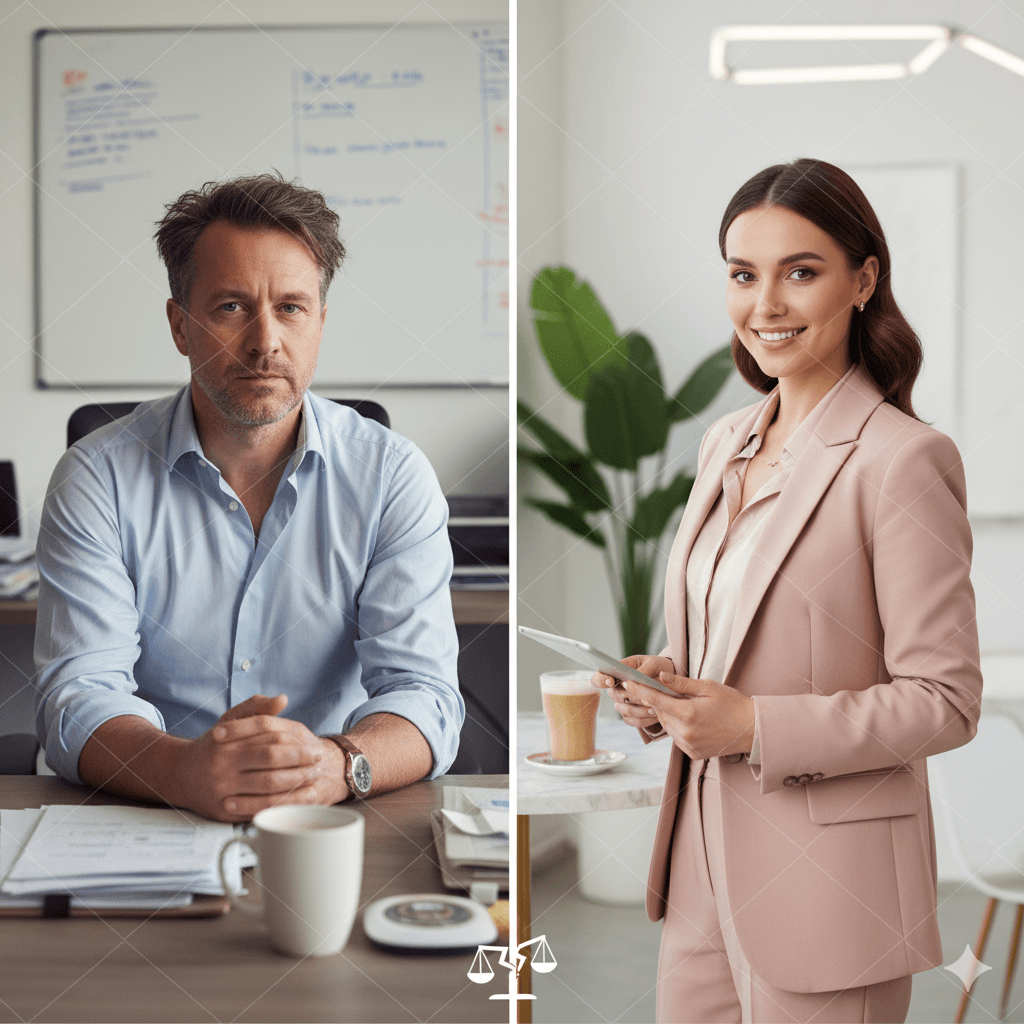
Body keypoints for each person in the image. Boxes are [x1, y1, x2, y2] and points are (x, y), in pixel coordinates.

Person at [592, 158, 982, 1024]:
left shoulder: (903, 460)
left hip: (831, 892)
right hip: (699, 861)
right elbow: (729, 652)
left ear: (863, 280)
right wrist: (666, 688)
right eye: (743, 274)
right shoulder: (726, 442)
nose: (765, 305)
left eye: (799, 272)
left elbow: (947, 702)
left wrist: (756, 726)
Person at [35, 172, 463, 823]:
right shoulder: (97, 477)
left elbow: (423, 694)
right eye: (232, 306)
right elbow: (78, 697)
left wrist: (338, 765)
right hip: (148, 812)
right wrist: (183, 770)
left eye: (291, 307)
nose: (266, 341)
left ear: (320, 322)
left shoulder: (393, 476)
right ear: (180, 326)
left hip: (329, 816)